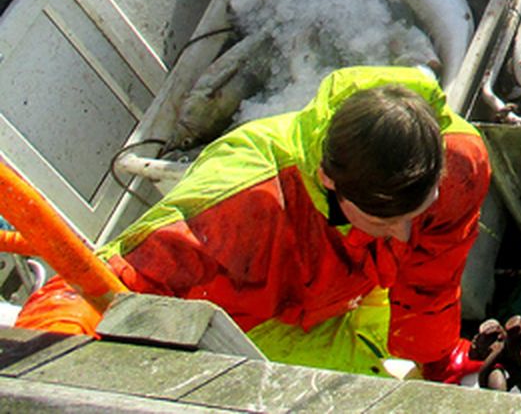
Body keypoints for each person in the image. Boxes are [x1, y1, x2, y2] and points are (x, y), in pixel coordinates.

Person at [16, 65, 490, 383]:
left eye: (416, 216)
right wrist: (52, 365)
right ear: (328, 180)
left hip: (355, 295)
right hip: (257, 325)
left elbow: (429, 280)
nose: (407, 237)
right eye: (382, 220)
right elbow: (93, 289)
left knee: (404, 377)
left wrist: (434, 360)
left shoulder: (459, 165)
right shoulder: (237, 205)